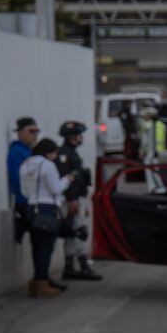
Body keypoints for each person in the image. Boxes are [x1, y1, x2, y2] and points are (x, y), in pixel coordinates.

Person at [19, 137, 69, 298]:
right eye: (55, 153)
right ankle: (42, 283)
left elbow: (24, 191)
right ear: (49, 152)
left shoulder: (25, 165)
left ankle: (36, 283)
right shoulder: (48, 166)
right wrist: (67, 180)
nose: (55, 156)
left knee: (36, 246)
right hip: (47, 208)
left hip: (31, 207)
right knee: (47, 248)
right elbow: (56, 189)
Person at [53, 120, 102, 282]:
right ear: (70, 136)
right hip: (72, 200)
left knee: (72, 232)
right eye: (77, 135)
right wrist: (73, 200)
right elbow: (67, 179)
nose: (80, 138)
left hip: (76, 198)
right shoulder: (64, 155)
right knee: (80, 231)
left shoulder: (71, 153)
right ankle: (83, 266)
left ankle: (69, 266)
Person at [7, 117, 39, 246]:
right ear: (20, 132)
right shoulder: (17, 152)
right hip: (24, 202)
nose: (35, 135)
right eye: (31, 131)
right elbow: (16, 179)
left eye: (37, 131)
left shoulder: (31, 151)